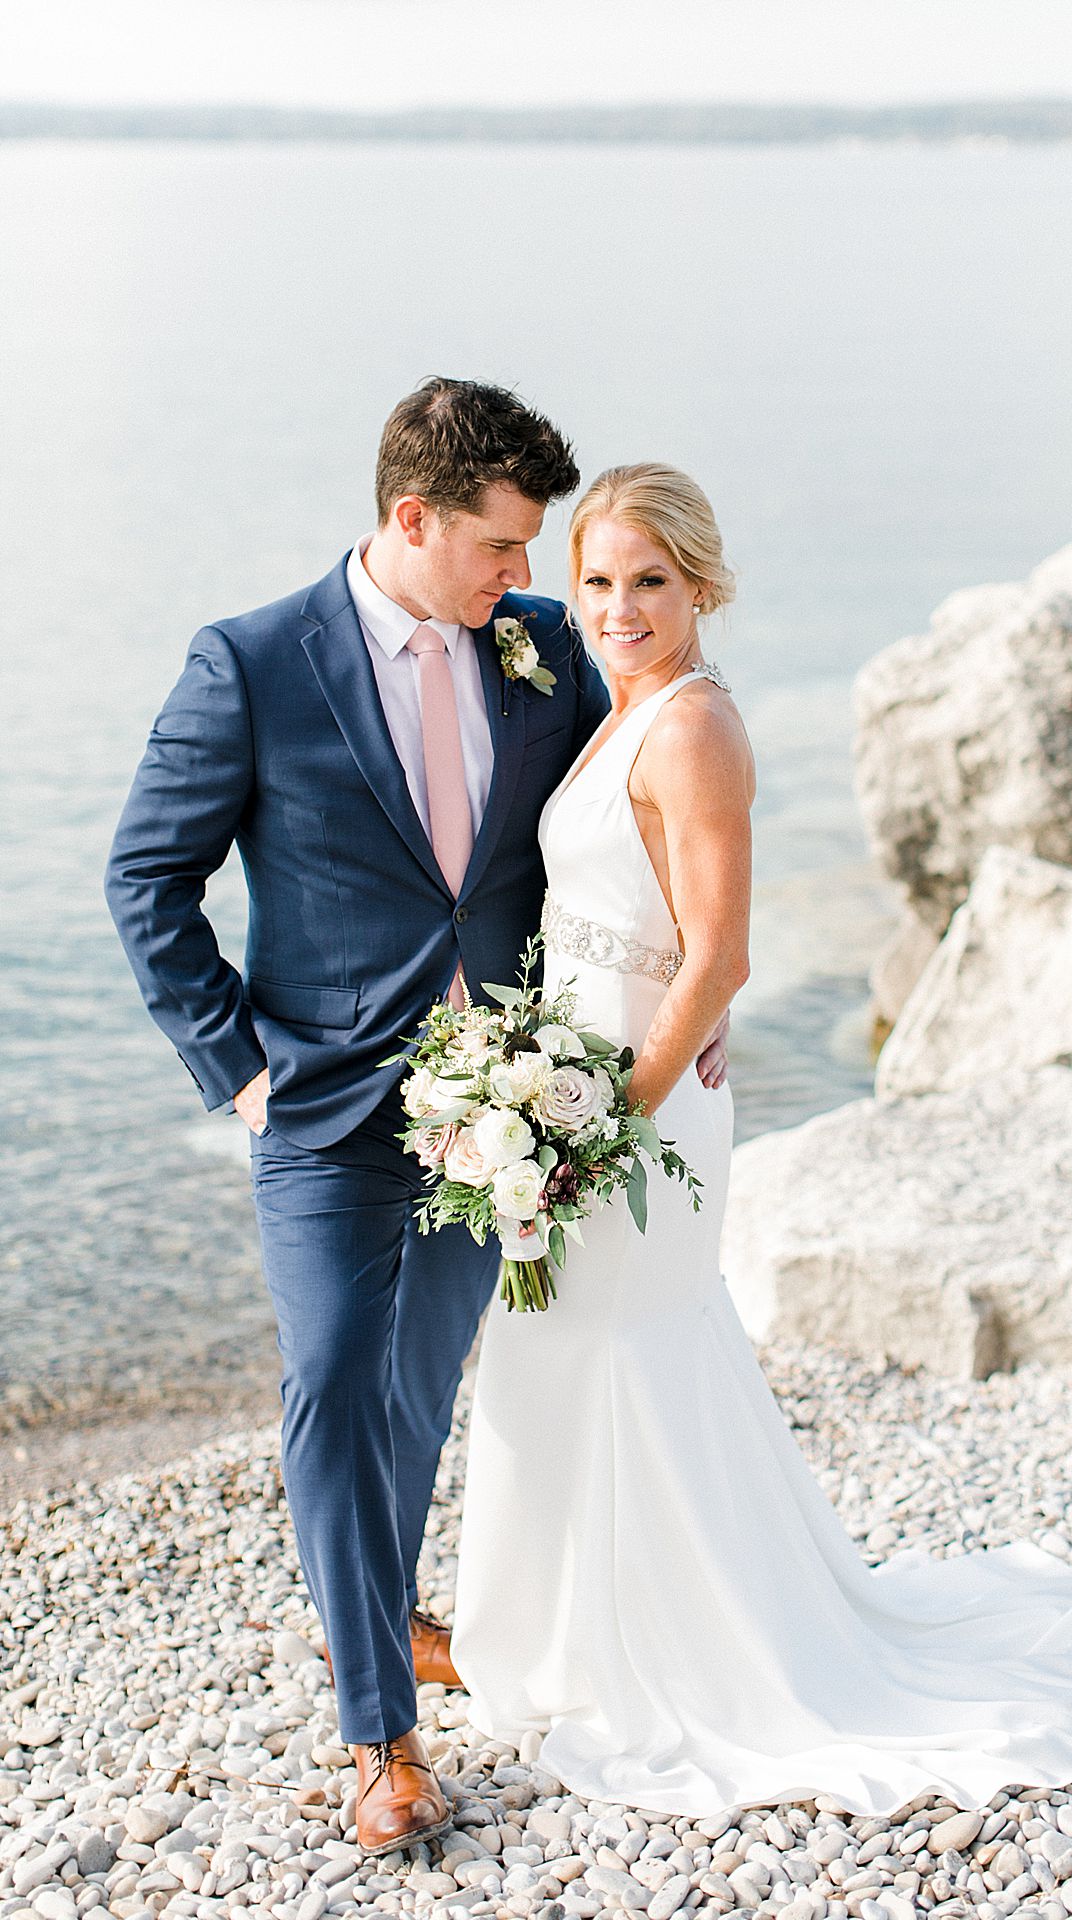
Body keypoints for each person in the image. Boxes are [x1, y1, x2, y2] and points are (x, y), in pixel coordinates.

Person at [451, 462, 1072, 1819]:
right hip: (579, 1084)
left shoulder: (694, 727)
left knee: (615, 1347)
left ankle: (696, 1654)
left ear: (702, 583)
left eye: (650, 579)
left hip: (638, 1107)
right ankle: (580, 1638)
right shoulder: (620, 707)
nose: (619, 606)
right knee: (566, 1349)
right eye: (596, 579)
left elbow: (717, 962)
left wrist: (602, 1123)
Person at [104, 381, 730, 1854]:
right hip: (317, 1108)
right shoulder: (252, 664)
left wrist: (694, 999)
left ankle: (372, 1619)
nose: (531, 577)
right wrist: (240, 1071)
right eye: (505, 545)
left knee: (418, 1392)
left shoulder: (542, 650)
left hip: (505, 1110)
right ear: (413, 519)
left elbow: (642, 797)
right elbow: (148, 879)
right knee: (332, 1380)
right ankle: (380, 1738)